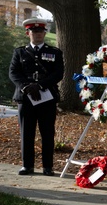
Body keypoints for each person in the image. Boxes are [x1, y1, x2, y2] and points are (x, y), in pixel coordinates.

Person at [8, 19, 65, 176]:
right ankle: (27, 165)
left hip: (46, 96)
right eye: (34, 32)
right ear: (28, 34)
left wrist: (39, 86)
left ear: (45, 33)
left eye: (40, 32)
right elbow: (13, 73)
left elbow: (58, 74)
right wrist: (26, 87)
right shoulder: (19, 52)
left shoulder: (54, 52)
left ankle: (48, 166)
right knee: (26, 132)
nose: (38, 34)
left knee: (47, 132)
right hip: (25, 97)